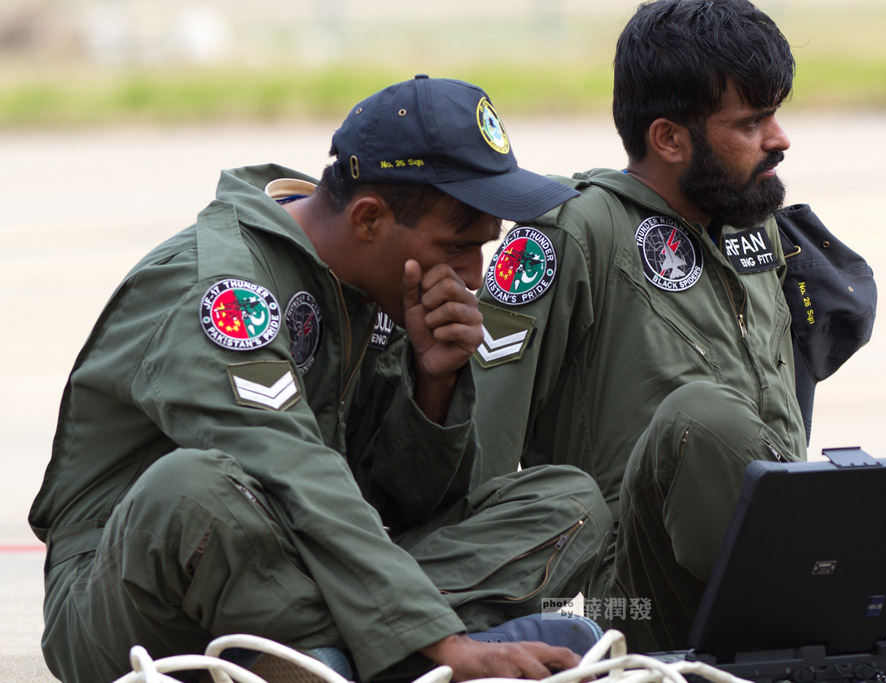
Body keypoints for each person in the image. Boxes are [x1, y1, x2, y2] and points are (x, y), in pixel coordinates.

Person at [29, 75, 614, 683]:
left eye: (484, 248)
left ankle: (336, 656)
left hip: (299, 564)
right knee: (192, 486)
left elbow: (406, 504)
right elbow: (290, 468)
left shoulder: (376, 286)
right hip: (127, 594)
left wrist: (434, 383)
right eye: (458, 246)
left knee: (568, 503)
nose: (473, 275)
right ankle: (409, 652)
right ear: (367, 218)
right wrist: (450, 645)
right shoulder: (221, 288)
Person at [471, 0, 834, 653]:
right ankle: (838, 603)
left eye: (775, 114)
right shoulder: (573, 231)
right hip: (634, 600)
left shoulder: (753, 223)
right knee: (698, 417)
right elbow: (483, 458)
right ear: (669, 138)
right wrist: (479, 644)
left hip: (779, 554)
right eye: (752, 122)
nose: (779, 138)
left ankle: (861, 592)